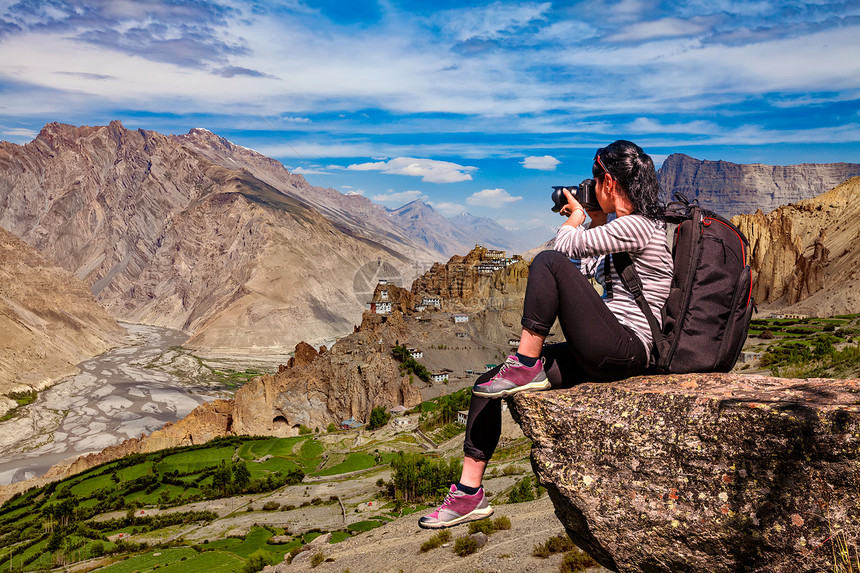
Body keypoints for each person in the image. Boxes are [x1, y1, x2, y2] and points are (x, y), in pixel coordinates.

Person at [418, 140, 673, 529]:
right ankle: (469, 493)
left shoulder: (640, 225)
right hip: (607, 347)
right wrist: (593, 218)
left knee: (547, 261)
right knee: (489, 383)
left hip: (629, 348)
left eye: (594, 179)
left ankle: (525, 362)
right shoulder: (623, 230)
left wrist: (575, 219)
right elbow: (580, 272)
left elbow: (562, 250)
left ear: (607, 180)